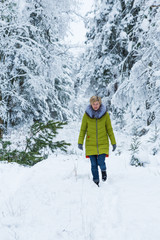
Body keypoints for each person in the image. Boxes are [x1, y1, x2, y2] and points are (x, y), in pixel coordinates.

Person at [78, 96, 116, 186]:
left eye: (97, 104)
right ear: (91, 104)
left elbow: (109, 129)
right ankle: (96, 181)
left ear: (100, 104)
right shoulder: (86, 115)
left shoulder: (105, 115)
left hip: (103, 143)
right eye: (93, 104)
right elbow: (83, 129)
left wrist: (113, 142)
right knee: (93, 164)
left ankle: (103, 170)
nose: (95, 106)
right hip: (90, 144)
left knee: (100, 161)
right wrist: (80, 142)